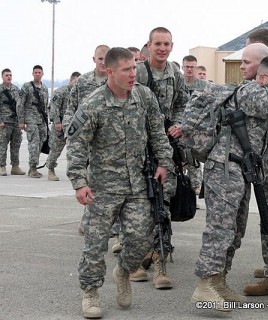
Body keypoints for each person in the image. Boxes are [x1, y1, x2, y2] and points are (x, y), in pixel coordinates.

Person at [190, 44, 268, 311]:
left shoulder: (261, 89)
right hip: (224, 168)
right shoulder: (251, 91)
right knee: (220, 228)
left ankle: (219, 282)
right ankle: (204, 286)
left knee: (235, 230)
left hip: (241, 169)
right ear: (264, 78)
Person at [66, 47, 172, 319]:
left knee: (140, 239)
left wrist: (163, 162)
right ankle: (90, 291)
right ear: (110, 71)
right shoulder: (93, 103)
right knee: (95, 244)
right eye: (126, 69)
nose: (133, 74)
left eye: (134, 67)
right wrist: (79, 182)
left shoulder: (144, 96)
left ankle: (123, 271)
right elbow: (77, 145)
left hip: (138, 184)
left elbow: (157, 132)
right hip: (102, 188)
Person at [134, 26, 190, 289]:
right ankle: (137, 258)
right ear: (149, 45)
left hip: (165, 148)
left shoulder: (175, 75)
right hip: (138, 149)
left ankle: (160, 263)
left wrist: (177, 125)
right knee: (139, 206)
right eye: (157, 43)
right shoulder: (138, 73)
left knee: (162, 204)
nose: (162, 48)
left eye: (167, 44)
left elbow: (183, 104)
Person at [62, 44, 110, 237]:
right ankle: (88, 220)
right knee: (89, 180)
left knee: (101, 181)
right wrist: (69, 132)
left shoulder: (114, 80)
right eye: (100, 58)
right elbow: (70, 110)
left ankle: (93, 221)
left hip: (106, 140)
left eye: (106, 59)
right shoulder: (83, 82)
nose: (103, 62)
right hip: (85, 140)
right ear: (94, 59)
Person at [45, 71, 81, 181]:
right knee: (56, 148)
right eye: (76, 82)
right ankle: (50, 168)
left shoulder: (80, 93)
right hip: (60, 125)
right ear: (71, 80)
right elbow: (53, 107)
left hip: (74, 125)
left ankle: (77, 173)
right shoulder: (60, 92)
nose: (77, 84)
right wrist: (56, 122)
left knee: (76, 149)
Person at [182, 55, 208, 195]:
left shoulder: (203, 86)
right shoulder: (177, 83)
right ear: (183, 67)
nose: (190, 70)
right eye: (187, 67)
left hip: (196, 131)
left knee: (194, 164)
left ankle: (194, 192)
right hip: (178, 129)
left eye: (192, 67)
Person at [17, 65, 49, 178]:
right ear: (32, 73)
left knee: (41, 143)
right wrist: (21, 120)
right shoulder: (27, 87)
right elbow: (20, 104)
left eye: (39, 72)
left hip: (42, 121)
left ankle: (33, 167)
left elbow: (45, 106)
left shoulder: (45, 88)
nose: (37, 74)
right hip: (31, 120)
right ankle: (33, 168)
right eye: (35, 72)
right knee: (33, 144)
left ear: (42, 74)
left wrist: (47, 121)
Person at [0, 68, 25, 176]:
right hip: (4, 122)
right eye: (6, 75)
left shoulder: (16, 89)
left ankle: (15, 166)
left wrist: (21, 121)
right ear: (2, 77)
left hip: (15, 121)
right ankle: (2, 166)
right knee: (2, 145)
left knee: (16, 144)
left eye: (10, 75)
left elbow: (20, 105)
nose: (9, 77)